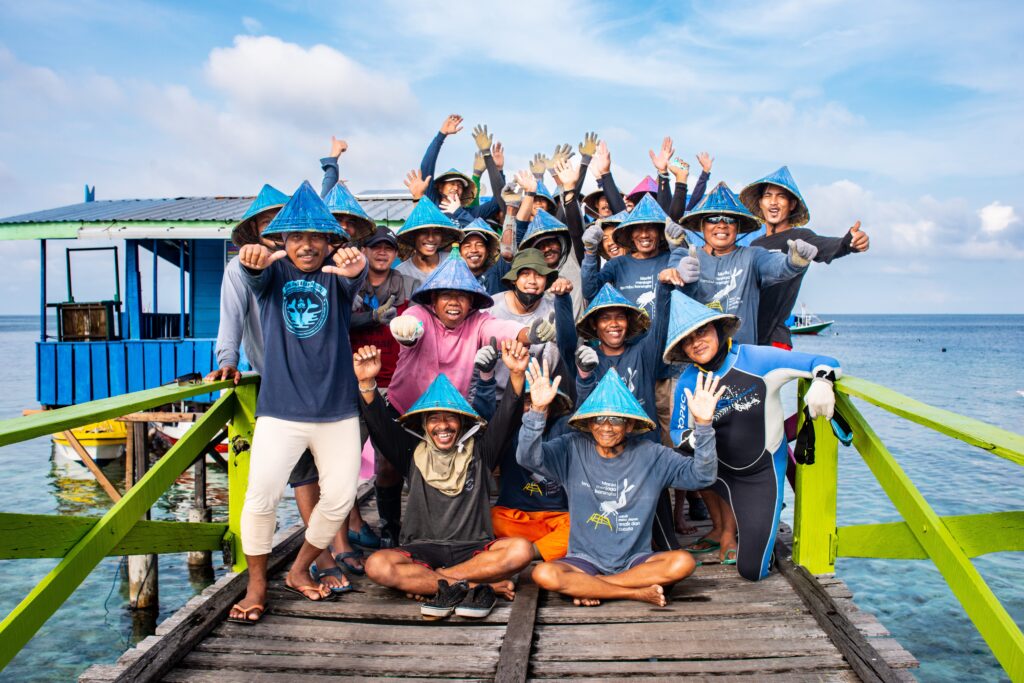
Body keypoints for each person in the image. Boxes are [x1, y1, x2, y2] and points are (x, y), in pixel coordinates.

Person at [209, 184, 364, 594]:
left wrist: (355, 265)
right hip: (280, 409)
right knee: (261, 498)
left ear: (330, 241)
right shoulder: (271, 273)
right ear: (281, 239)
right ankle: (256, 585)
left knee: (340, 499)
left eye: (317, 237)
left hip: (338, 409)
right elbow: (252, 274)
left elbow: (355, 272)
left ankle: (299, 569)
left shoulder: (338, 274)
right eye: (296, 236)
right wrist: (252, 262)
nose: (307, 246)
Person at [664, 293, 841, 579]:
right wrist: (702, 429)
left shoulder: (756, 359)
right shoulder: (688, 380)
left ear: (719, 329)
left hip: (761, 472)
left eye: (702, 332)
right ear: (682, 349)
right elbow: (677, 432)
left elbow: (823, 360)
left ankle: (760, 532)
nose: (696, 342)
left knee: (752, 571)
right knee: (676, 458)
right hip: (718, 473)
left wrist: (822, 382)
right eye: (687, 339)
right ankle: (725, 529)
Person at [517, 362, 719, 606]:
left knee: (683, 562)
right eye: (599, 419)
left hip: (636, 560)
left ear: (630, 425)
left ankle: (599, 588)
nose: (606, 427)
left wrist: (704, 426)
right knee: (543, 573)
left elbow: (703, 477)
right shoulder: (571, 447)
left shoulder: (652, 454)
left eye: (615, 420)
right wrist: (537, 411)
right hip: (584, 561)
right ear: (590, 424)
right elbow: (527, 458)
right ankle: (634, 592)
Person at [356, 344, 534, 619]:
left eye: (450, 418)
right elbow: (379, 425)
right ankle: (476, 585)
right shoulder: (410, 453)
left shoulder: (481, 452)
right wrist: (368, 383)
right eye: (434, 418)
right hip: (420, 549)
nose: (443, 425)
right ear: (424, 424)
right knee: (377, 565)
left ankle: (440, 584)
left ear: (462, 423)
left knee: (521, 550)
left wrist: (517, 375)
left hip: (474, 550)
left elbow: (508, 416)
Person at [385, 256, 556, 414]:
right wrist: (404, 327)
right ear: (434, 299)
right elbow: (411, 325)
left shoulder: (477, 321)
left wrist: (530, 333)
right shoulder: (420, 313)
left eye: (462, 296)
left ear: (471, 302)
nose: (454, 302)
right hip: (404, 410)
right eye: (446, 295)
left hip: (452, 416)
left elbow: (501, 329)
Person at [739, 166, 870, 349]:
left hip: (775, 339)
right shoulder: (754, 245)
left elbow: (826, 246)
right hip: (747, 338)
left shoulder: (800, 238)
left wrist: (850, 243)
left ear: (792, 205)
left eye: (781, 196)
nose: (773, 202)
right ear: (760, 203)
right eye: (768, 196)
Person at [675, 182, 817, 346]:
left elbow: (776, 265)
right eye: (713, 219)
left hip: (742, 357)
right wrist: (679, 271)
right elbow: (672, 275)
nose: (722, 224)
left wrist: (794, 262)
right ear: (702, 225)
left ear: (738, 226)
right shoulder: (687, 255)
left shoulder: (753, 256)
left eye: (730, 220)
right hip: (698, 354)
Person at [349, 225, 413, 550]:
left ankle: (391, 529)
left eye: (389, 248)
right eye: (376, 247)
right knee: (344, 461)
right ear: (365, 250)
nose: (382, 252)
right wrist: (372, 316)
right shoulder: (350, 284)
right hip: (354, 383)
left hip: (393, 384)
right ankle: (345, 532)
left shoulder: (406, 288)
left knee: (388, 461)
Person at [472, 361, 573, 562]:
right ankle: (542, 547)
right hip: (514, 516)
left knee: (584, 528)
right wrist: (485, 378)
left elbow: (582, 424)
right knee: (488, 519)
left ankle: (529, 551)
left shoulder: (562, 427)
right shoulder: (508, 430)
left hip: (557, 517)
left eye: (540, 401)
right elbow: (483, 420)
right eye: (528, 402)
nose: (534, 406)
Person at [486, 248, 575, 402]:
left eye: (539, 275)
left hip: (537, 396)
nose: (532, 281)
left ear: (546, 281)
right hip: (496, 397)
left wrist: (563, 300)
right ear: (514, 279)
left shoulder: (553, 309)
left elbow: (569, 347)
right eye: (525, 274)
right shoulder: (491, 308)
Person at [419, 115, 506, 225]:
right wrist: (441, 135)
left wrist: (498, 170)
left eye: (460, 186)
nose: (456, 187)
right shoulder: (432, 203)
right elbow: (426, 167)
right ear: (440, 188)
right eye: (452, 183)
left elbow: (500, 199)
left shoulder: (471, 213)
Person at [393, 195, 464, 292]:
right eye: (424, 232)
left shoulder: (454, 261)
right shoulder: (401, 272)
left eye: (436, 232)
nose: (431, 238)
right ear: (414, 236)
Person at [318, 135, 375, 243]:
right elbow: (325, 202)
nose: (344, 226)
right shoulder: (315, 256)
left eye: (351, 223)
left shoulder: (356, 257)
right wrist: (333, 157)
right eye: (338, 220)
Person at [458, 218, 507, 293]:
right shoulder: (453, 279)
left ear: (488, 251)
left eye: (479, 245)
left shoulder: (497, 275)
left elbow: (509, 251)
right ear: (459, 252)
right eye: (467, 246)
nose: (474, 250)